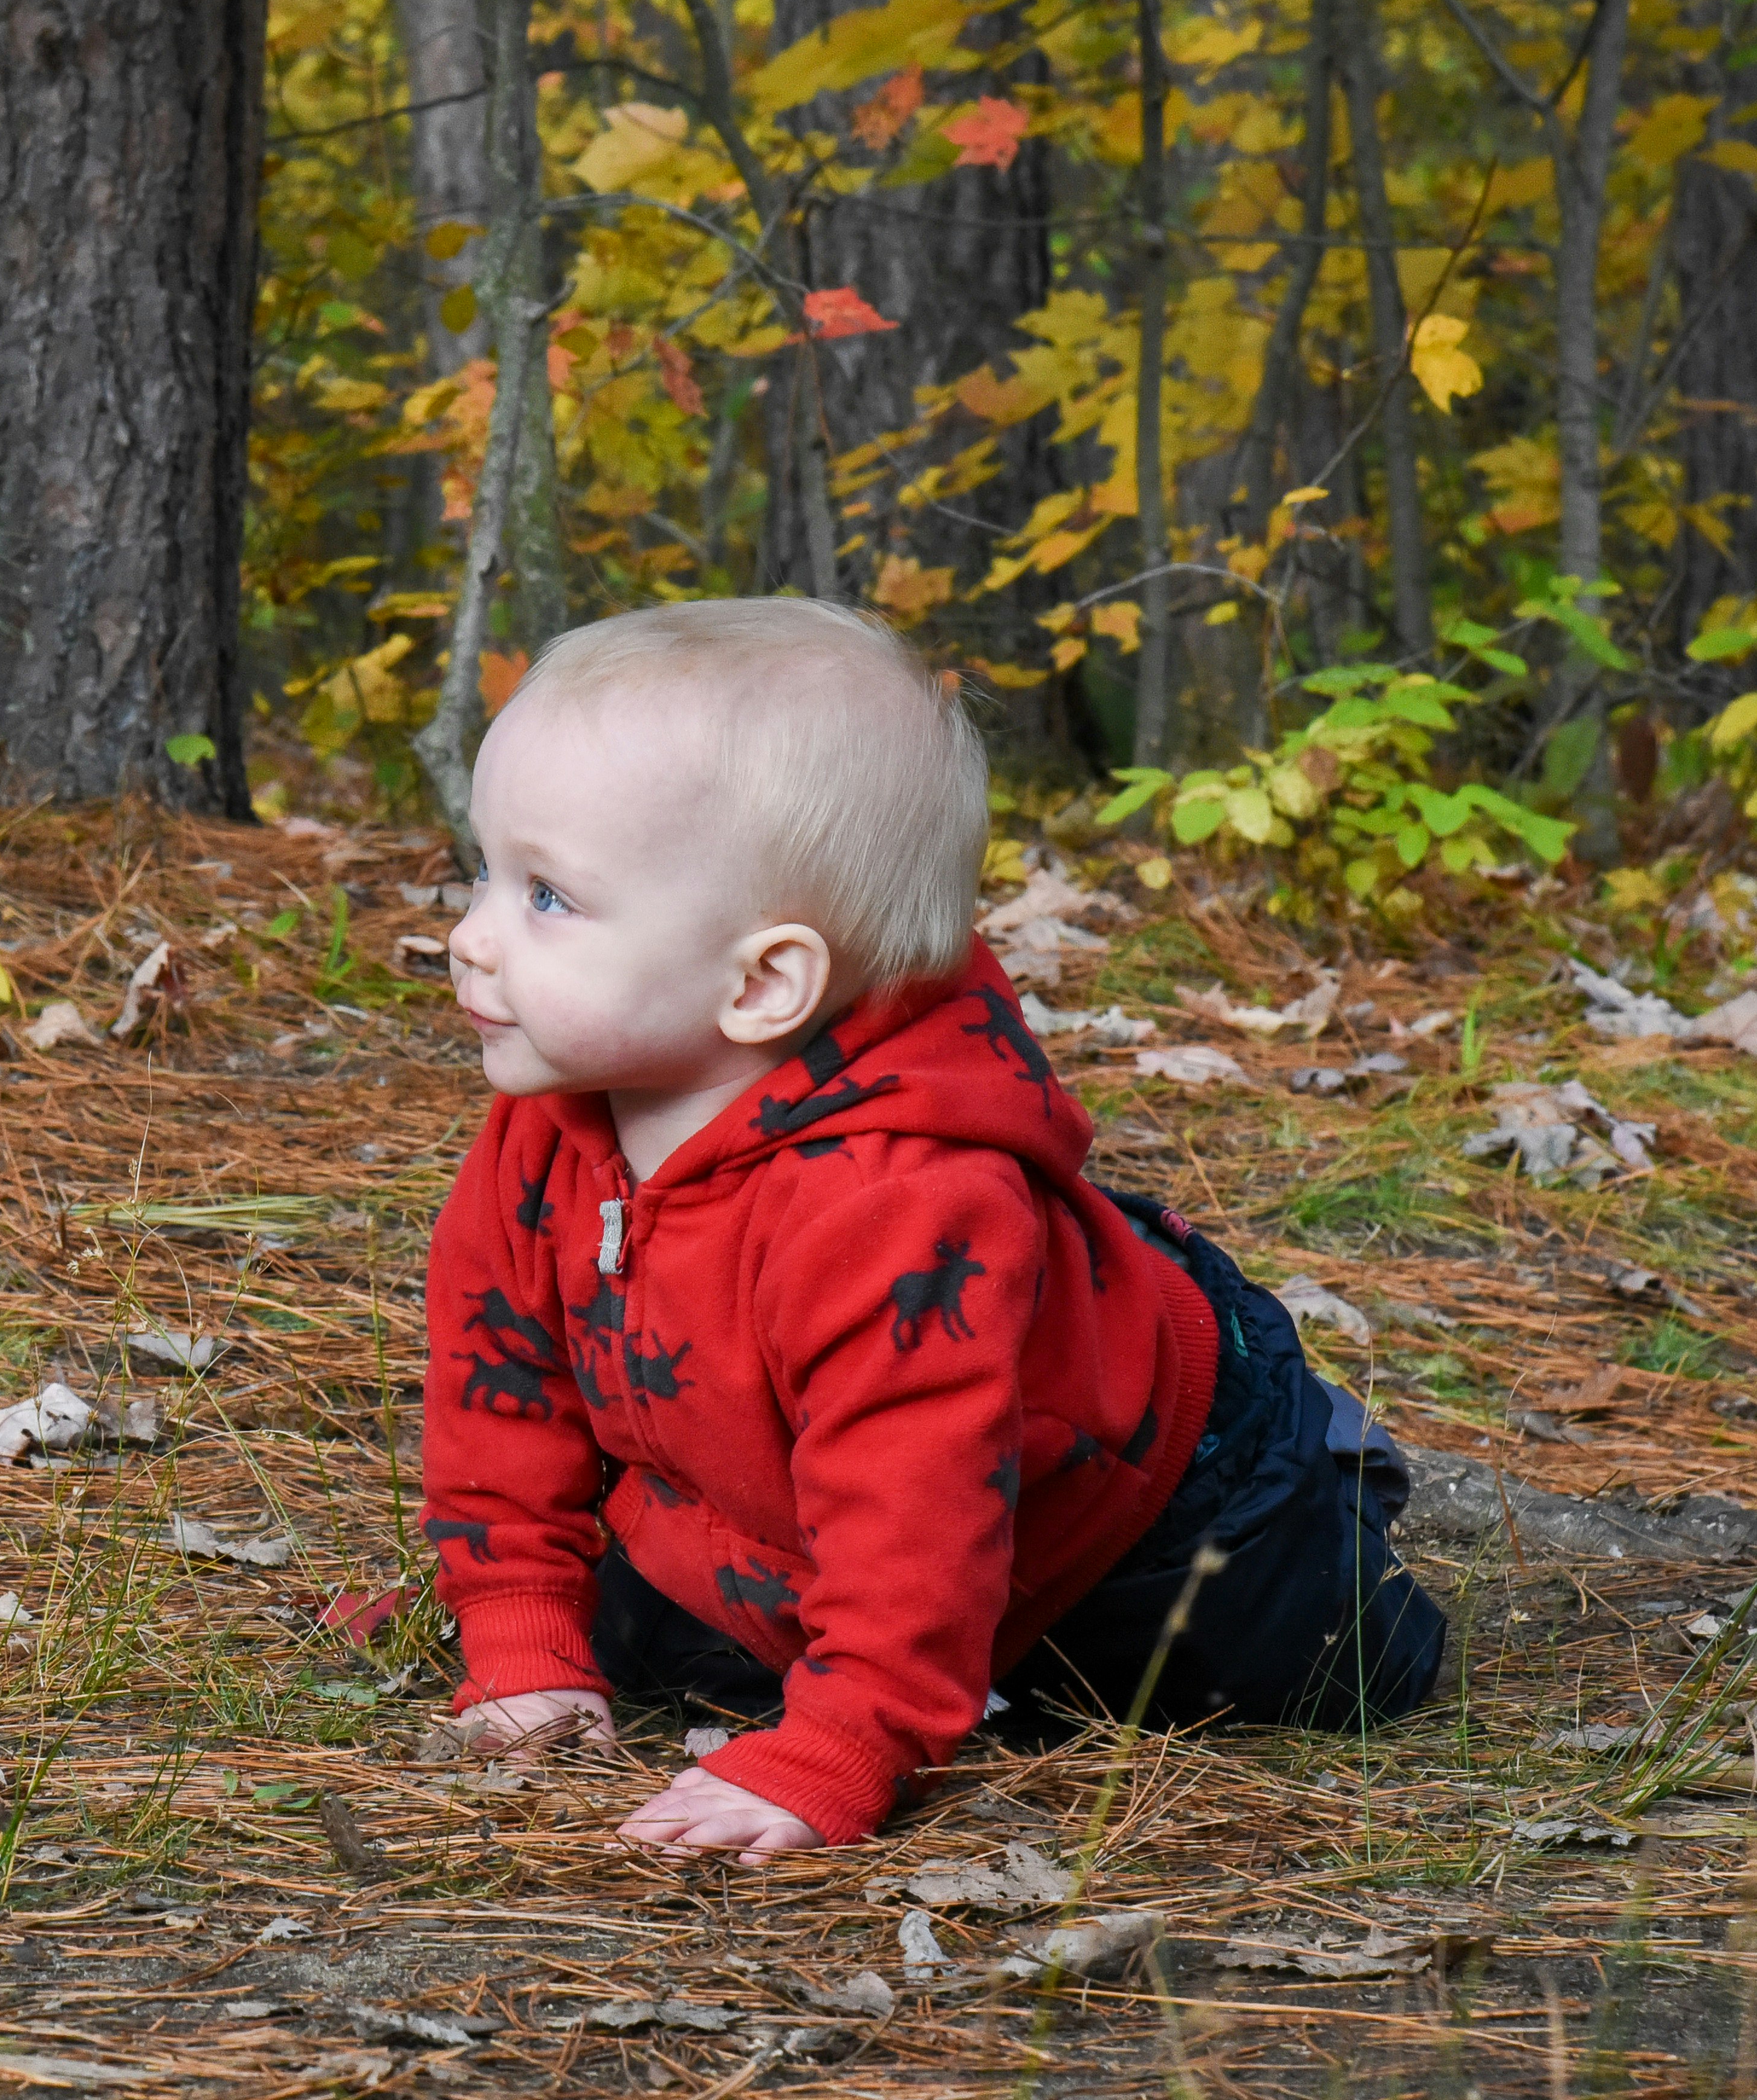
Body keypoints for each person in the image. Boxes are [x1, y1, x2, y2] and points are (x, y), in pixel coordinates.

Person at [419, 598, 1444, 1860]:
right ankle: (920, 1674)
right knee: (659, 1641)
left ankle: (1336, 1487)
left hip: (1156, 1506)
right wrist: (520, 1626)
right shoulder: (543, 1135)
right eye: (477, 871)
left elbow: (917, 1512)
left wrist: (836, 1750)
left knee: (1307, 1672)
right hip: (771, 1501)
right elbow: (499, 1393)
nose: (468, 938)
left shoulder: (893, 1205)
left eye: (545, 898)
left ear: (759, 984)